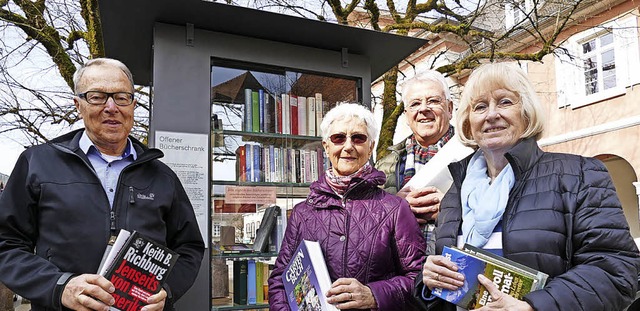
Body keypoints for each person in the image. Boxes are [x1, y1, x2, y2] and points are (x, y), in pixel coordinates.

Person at [415, 62, 640, 310]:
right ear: (468, 122)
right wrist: (428, 281)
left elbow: (616, 270)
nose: (491, 115)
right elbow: (445, 284)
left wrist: (533, 307)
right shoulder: (454, 193)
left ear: (527, 112)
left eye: (505, 102)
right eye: (480, 106)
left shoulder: (580, 175)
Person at [0, 58, 205, 311]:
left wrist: (167, 290)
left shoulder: (162, 175)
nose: (111, 107)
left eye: (121, 97)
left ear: (133, 105)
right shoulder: (37, 163)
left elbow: (189, 247)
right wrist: (59, 287)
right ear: (78, 105)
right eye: (97, 96)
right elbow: (6, 245)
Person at [268, 103, 426, 310]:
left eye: (358, 138)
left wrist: (374, 295)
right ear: (326, 147)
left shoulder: (395, 209)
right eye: (338, 138)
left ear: (371, 147)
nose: (348, 146)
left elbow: (420, 278)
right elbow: (280, 280)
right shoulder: (302, 213)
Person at [375, 70, 455, 252]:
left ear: (449, 108)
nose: (423, 109)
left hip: (454, 267)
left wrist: (451, 209)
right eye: (415, 103)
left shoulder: (475, 153)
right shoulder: (385, 165)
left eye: (433, 101)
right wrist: (395, 208)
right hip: (403, 273)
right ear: (406, 115)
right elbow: (371, 226)